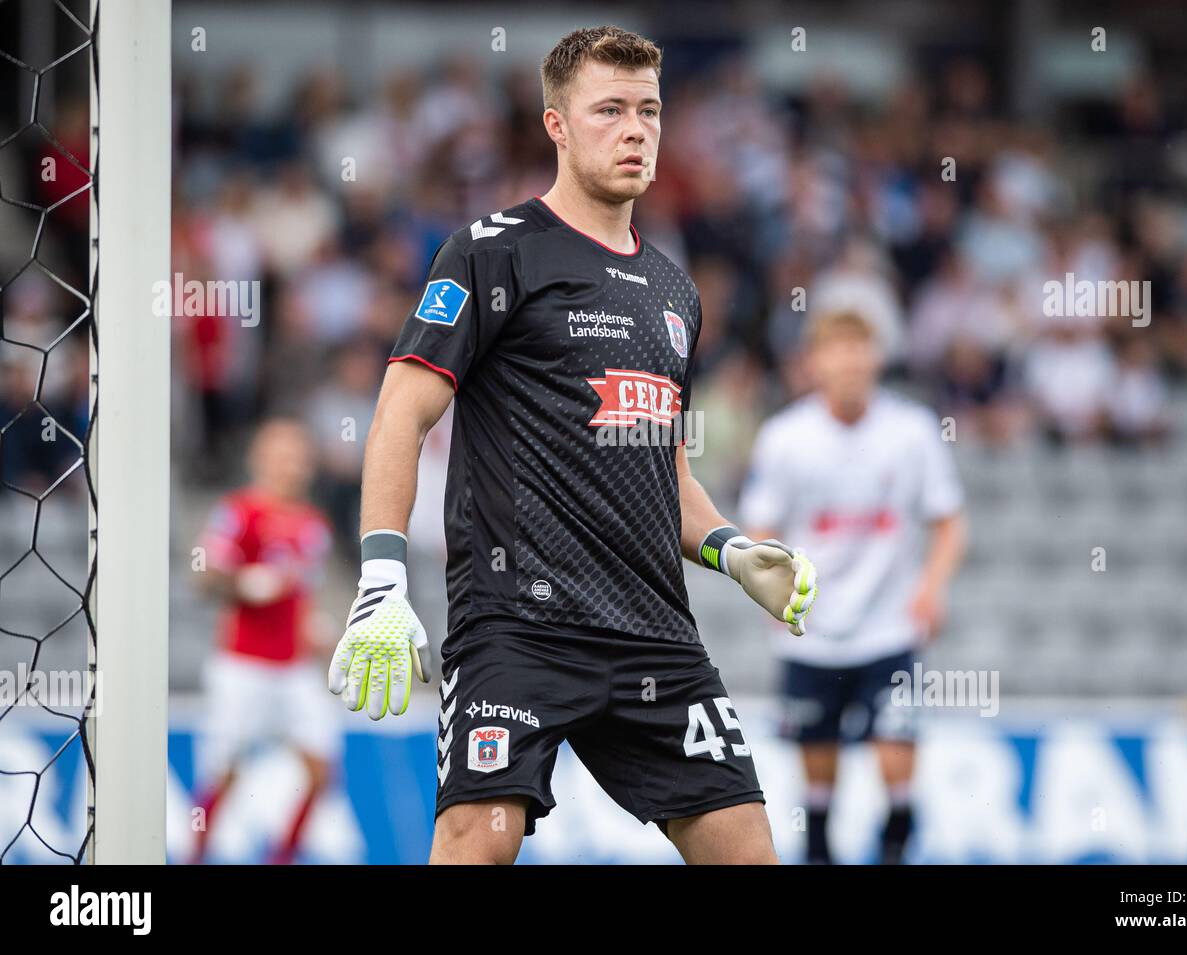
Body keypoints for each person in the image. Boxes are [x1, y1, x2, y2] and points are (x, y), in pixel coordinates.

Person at [325, 25, 818, 865]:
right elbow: (401, 413)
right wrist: (380, 576)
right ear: (557, 126)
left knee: (749, 850)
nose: (636, 130)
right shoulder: (490, 252)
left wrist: (733, 551)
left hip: (655, 630)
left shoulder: (674, 289)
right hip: (517, 627)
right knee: (478, 838)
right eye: (611, 110)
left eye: (650, 111)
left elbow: (667, 474)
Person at [740, 308, 966, 864]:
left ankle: (895, 838)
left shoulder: (911, 431)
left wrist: (931, 589)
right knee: (817, 766)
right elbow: (760, 525)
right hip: (812, 631)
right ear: (814, 363)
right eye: (836, 351)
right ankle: (819, 847)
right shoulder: (786, 437)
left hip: (888, 628)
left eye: (858, 350)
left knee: (895, 755)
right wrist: (773, 583)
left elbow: (949, 520)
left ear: (876, 358)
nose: (849, 363)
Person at [192, 418, 336, 864]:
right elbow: (203, 575)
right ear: (259, 458)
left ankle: (281, 859)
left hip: (293, 669)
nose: (290, 466)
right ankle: (192, 857)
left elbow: (303, 595)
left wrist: (316, 631)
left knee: (320, 768)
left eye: (297, 457)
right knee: (224, 774)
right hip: (243, 665)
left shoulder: (313, 525)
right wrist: (242, 582)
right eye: (281, 455)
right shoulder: (240, 512)